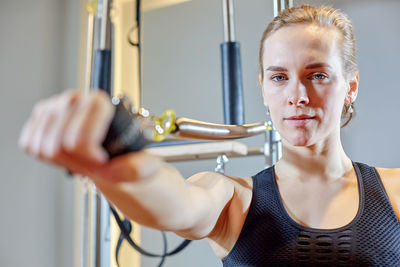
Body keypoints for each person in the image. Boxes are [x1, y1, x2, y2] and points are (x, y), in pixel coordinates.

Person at [18, 4, 400, 266]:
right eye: (279, 77)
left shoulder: (394, 193)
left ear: (351, 85)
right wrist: (119, 159)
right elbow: (179, 204)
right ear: (263, 88)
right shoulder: (234, 198)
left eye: (317, 75)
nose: (297, 96)